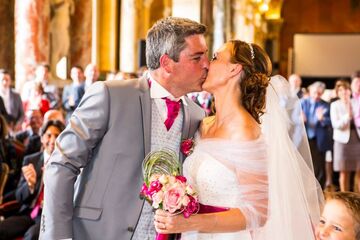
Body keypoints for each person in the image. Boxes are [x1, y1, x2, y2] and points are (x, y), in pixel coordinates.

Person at [40, 17, 208, 240]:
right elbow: (61, 163)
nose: (207, 64)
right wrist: (58, 236)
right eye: (197, 57)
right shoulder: (110, 95)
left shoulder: (197, 115)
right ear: (167, 63)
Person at [154, 40, 323, 239]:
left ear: (234, 69)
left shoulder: (246, 132)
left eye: (215, 57)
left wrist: (190, 222)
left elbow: (258, 213)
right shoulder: (203, 123)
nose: (207, 63)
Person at [0, 120, 65, 240]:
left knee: (32, 235)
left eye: (57, 136)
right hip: (28, 213)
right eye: (49, 135)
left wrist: (53, 181)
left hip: (49, 216)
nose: (52, 140)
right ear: (41, 138)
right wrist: (30, 185)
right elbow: (19, 196)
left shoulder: (66, 165)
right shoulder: (30, 160)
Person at [330, 80, 360, 192]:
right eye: (341, 90)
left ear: (350, 91)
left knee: (358, 170)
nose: (344, 92)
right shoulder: (335, 105)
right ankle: (345, 197)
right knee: (344, 171)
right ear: (338, 92)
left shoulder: (356, 102)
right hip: (342, 141)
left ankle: (357, 197)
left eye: (346, 89)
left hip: (356, 138)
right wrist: (347, 116)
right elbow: (335, 124)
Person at [301, 81, 332, 188]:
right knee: (305, 164)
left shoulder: (326, 105)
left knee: (319, 167)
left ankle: (319, 190)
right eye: (315, 92)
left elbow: (330, 122)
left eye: (319, 93)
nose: (316, 95)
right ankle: (306, 189)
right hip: (304, 138)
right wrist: (300, 119)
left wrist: (322, 119)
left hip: (319, 140)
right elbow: (292, 118)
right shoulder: (302, 103)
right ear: (310, 91)